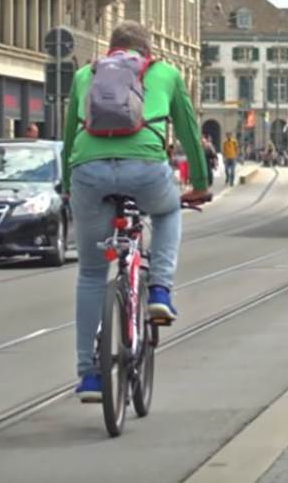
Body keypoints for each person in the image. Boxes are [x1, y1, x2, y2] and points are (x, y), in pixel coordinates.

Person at [61, 21, 209, 403]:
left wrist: (67, 185)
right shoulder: (165, 73)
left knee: (92, 273)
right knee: (167, 212)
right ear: (147, 51)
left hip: (88, 172)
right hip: (146, 167)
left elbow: (69, 137)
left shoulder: (84, 74)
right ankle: (159, 287)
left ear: (111, 50)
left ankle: (90, 375)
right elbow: (190, 132)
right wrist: (201, 183)